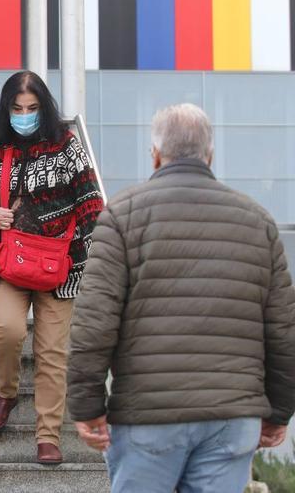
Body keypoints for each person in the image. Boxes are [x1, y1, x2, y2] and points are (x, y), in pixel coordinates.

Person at [68, 103, 295, 492]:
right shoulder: (257, 221)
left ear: (155, 154)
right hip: (232, 416)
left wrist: (87, 406)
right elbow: (283, 330)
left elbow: (95, 321)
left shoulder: (123, 216)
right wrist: (279, 410)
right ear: (210, 155)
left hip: (148, 417)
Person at [0, 71, 104, 464]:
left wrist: (90, 256)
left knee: (53, 351)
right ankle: (6, 392)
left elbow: (91, 203)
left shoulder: (66, 146)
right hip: (9, 262)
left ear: (45, 107)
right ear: (7, 110)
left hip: (61, 265)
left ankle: (48, 434)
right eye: (18, 109)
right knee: (7, 329)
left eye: (33, 109)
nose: (25, 115)